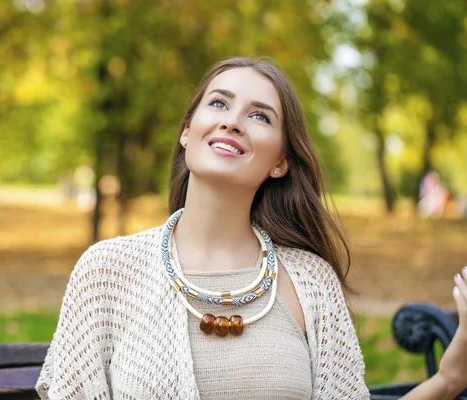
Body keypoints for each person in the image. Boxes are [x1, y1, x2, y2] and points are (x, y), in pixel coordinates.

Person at [36, 57, 467, 399]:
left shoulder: (310, 282)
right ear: (188, 131)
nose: (233, 120)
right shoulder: (108, 271)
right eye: (219, 103)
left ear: (280, 161)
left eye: (260, 116)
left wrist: (449, 379)